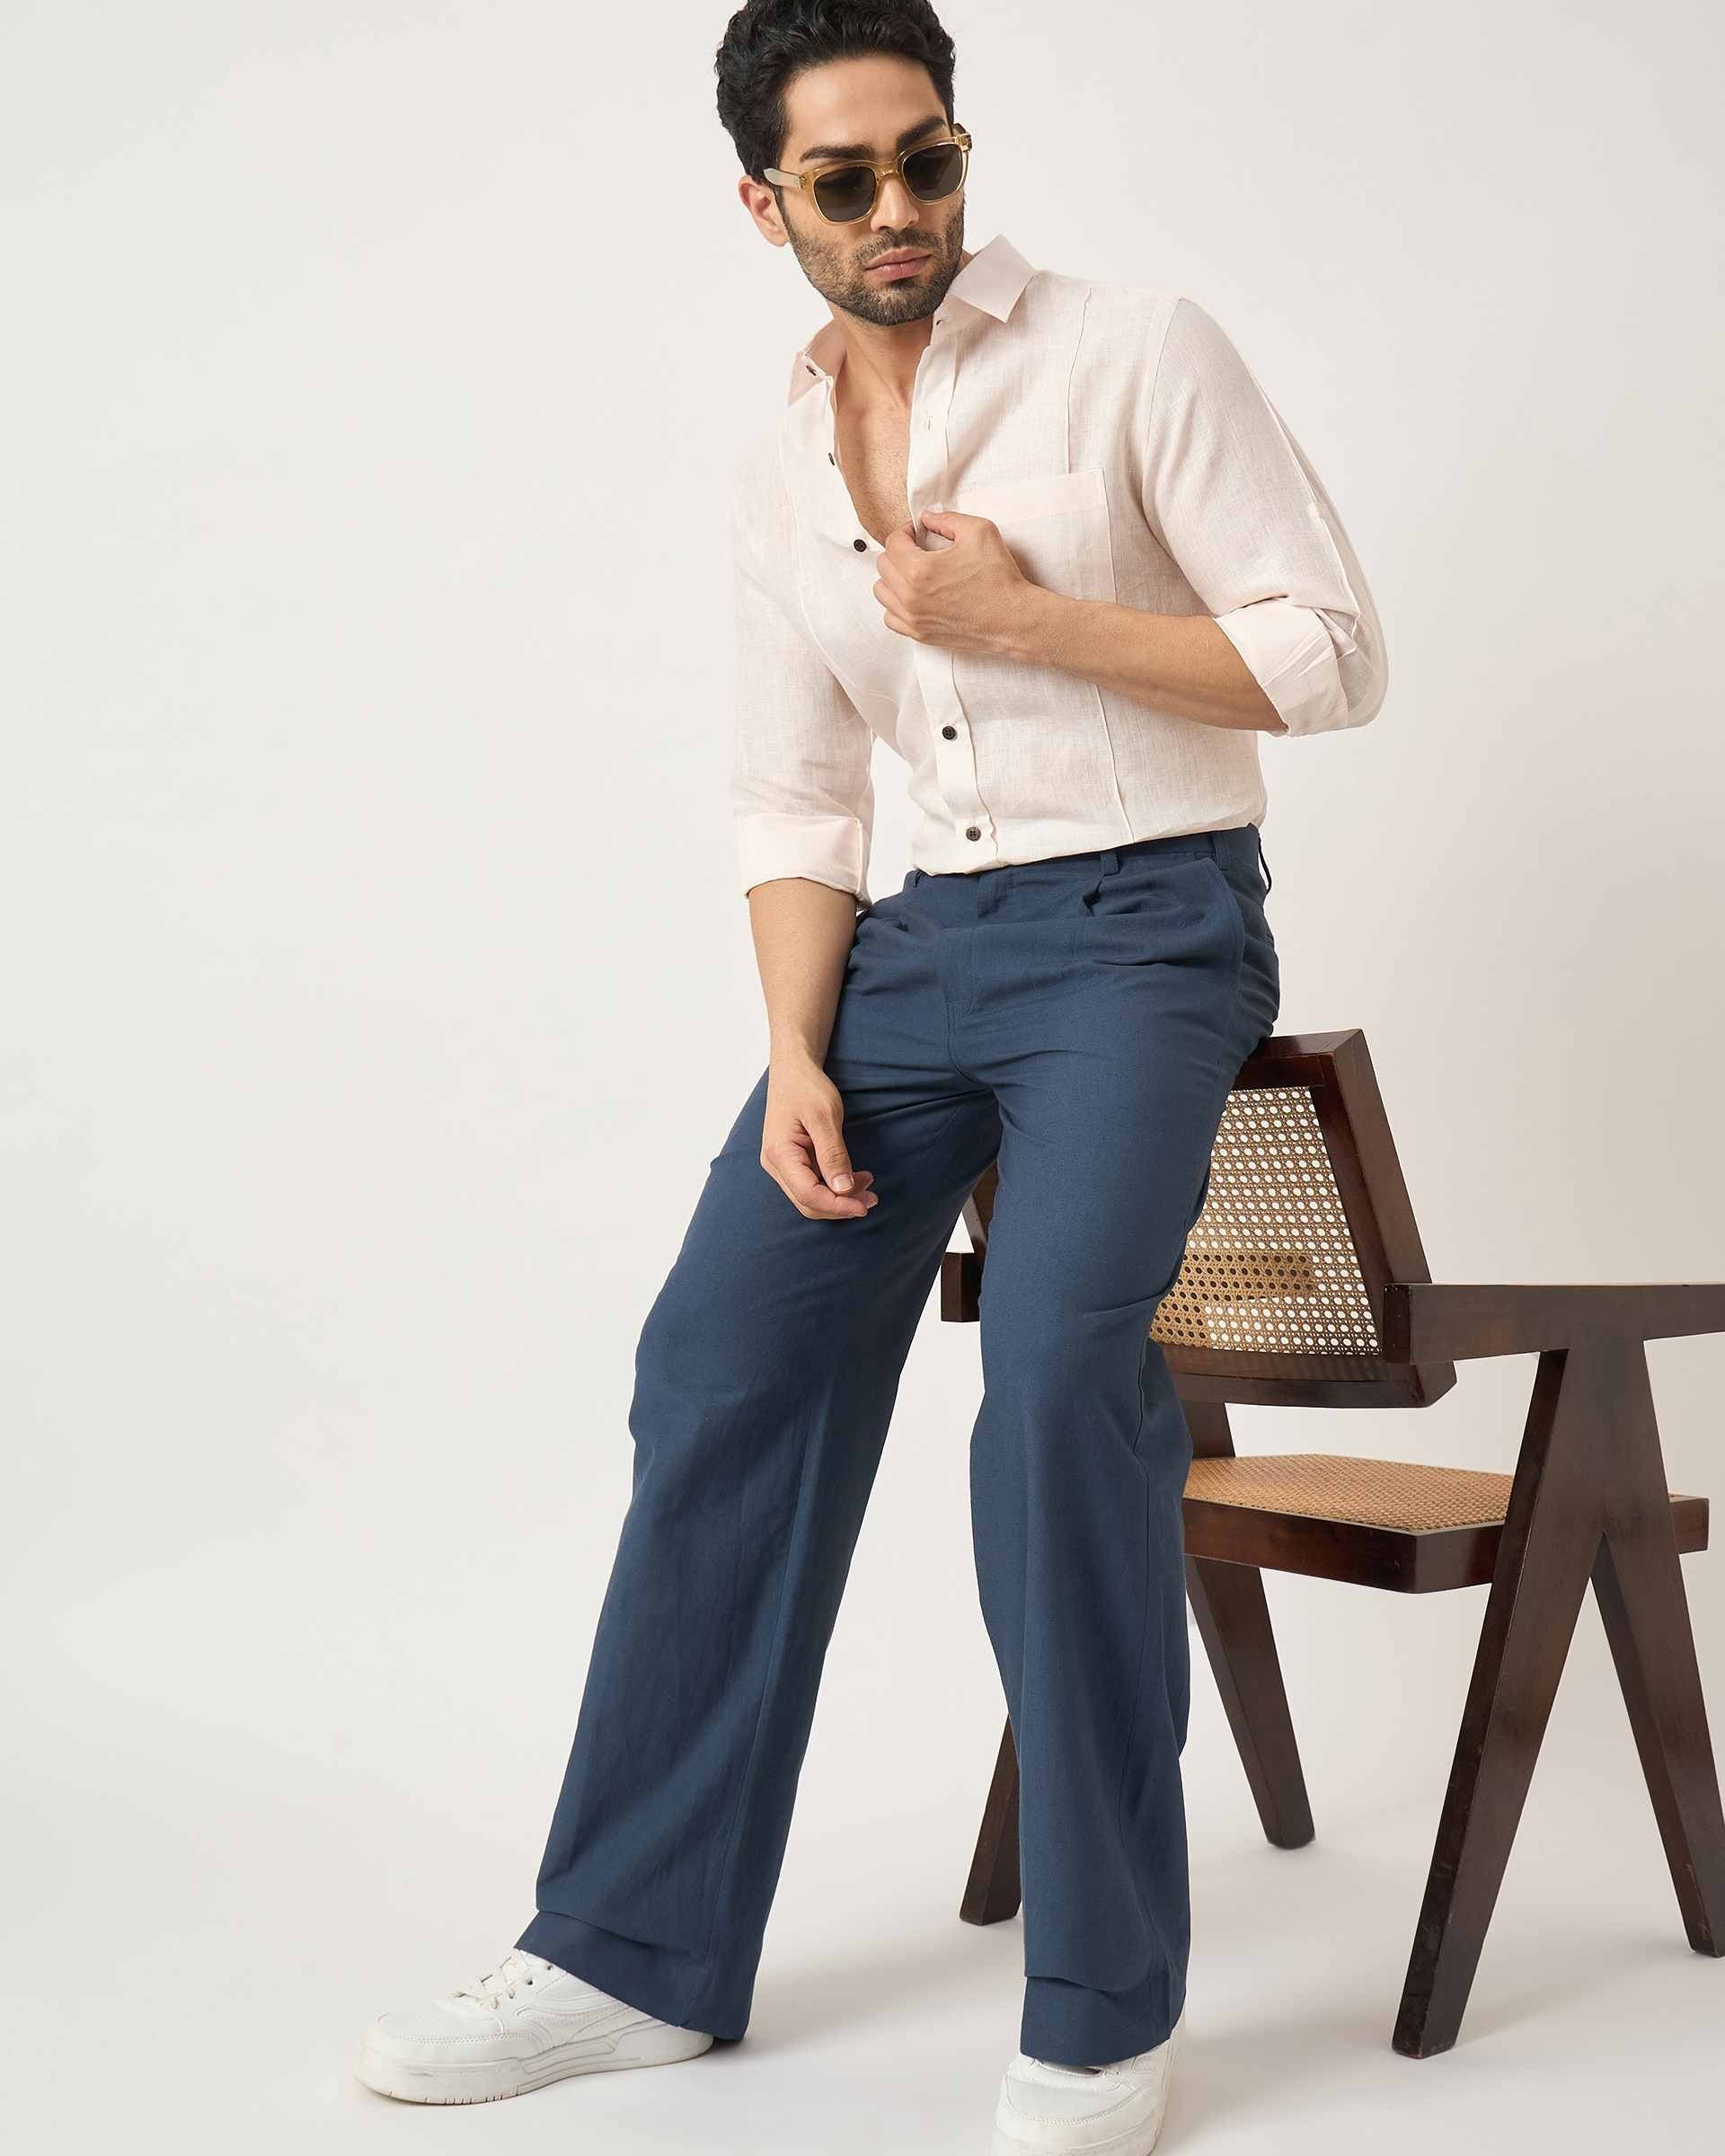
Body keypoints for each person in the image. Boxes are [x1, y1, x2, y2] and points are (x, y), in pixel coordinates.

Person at [353, 3, 1386, 2148]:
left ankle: (1104, 2002)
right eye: (848, 181)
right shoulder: (771, 465)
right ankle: (628, 1955)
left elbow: (1331, 653)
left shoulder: (1132, 349)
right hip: (914, 957)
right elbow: (801, 792)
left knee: (1056, 1389)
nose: (902, 210)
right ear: (766, 205)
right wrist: (794, 1051)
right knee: (720, 1355)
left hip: (1146, 929)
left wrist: (1035, 624)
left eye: (928, 160)